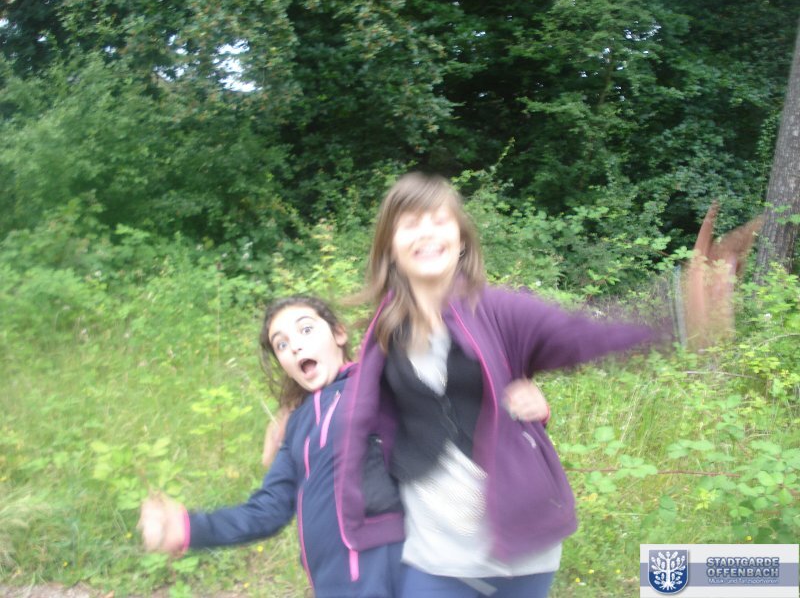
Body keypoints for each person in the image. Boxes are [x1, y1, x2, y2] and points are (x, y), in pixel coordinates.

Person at [333, 172, 762, 598]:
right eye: (411, 223)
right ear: (390, 245)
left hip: (520, 555)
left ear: (461, 239)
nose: (427, 232)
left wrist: (681, 313)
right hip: (433, 557)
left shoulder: (500, 310)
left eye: (440, 220)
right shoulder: (382, 333)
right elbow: (361, 421)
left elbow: (587, 335)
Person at [138, 295, 551, 597]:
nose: (295, 345)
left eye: (305, 329)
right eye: (281, 343)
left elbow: (452, 403)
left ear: (338, 334)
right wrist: (189, 528)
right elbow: (267, 511)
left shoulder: (377, 383)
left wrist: (519, 404)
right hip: (332, 583)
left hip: (394, 569)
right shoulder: (297, 428)